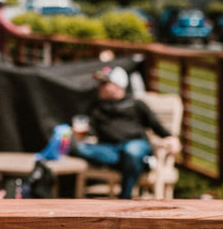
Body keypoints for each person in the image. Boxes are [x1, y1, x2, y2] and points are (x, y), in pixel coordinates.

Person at [70, 66, 181, 199]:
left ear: (118, 85)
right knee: (80, 148)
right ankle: (140, 163)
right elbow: (89, 131)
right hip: (109, 149)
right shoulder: (96, 107)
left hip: (135, 144)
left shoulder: (135, 104)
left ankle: (125, 197)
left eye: (105, 83)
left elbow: (156, 126)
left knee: (131, 151)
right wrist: (82, 132)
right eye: (100, 83)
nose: (100, 87)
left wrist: (171, 138)